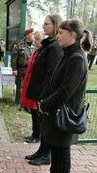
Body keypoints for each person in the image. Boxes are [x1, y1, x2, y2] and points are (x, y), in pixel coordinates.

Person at [38, 19, 92, 173]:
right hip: (59, 114)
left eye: (61, 33)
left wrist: (44, 105)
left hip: (64, 116)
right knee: (57, 158)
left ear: (72, 34)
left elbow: (65, 92)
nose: (58, 36)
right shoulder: (69, 53)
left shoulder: (76, 58)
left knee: (61, 160)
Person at [25, 14, 63, 166]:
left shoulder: (54, 47)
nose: (43, 26)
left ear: (55, 25)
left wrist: (44, 96)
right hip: (39, 90)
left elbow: (51, 73)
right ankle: (41, 151)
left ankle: (46, 155)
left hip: (45, 93)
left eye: (46, 24)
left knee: (46, 126)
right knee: (43, 124)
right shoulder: (49, 44)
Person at [20, 31, 45, 143]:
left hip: (37, 88)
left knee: (37, 114)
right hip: (30, 85)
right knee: (33, 113)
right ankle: (34, 134)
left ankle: (37, 136)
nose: (35, 41)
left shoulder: (43, 52)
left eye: (37, 39)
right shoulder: (36, 52)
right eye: (35, 39)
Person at [11, 28, 35, 104]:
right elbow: (14, 58)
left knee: (28, 87)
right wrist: (14, 69)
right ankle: (18, 102)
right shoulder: (19, 45)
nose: (33, 35)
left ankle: (25, 102)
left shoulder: (35, 45)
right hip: (21, 69)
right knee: (19, 86)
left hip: (31, 70)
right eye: (32, 34)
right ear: (27, 35)